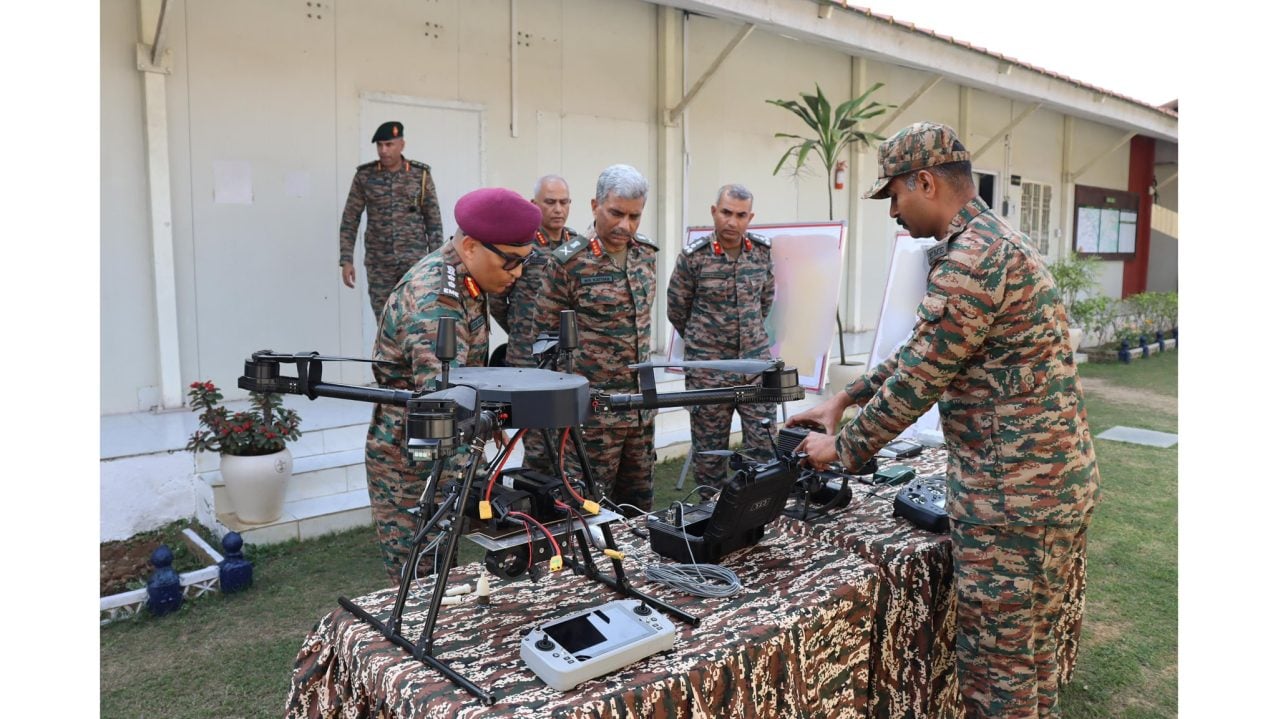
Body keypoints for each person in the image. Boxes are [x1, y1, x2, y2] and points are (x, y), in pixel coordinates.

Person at [790, 121, 1100, 719]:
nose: (893, 213)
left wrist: (843, 449)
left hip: (1014, 501)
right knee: (1029, 656)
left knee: (995, 674)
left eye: (895, 196)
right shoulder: (992, 240)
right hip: (1047, 491)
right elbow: (925, 349)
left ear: (925, 181)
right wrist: (844, 398)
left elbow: (921, 379)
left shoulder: (971, 259)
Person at [365, 187, 540, 584]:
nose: (517, 273)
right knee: (423, 585)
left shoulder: (466, 280)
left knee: (451, 579)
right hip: (413, 467)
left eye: (523, 262)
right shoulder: (434, 301)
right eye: (510, 262)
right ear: (470, 245)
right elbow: (442, 407)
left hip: (443, 458)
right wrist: (479, 490)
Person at [534, 165, 660, 513]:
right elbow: (544, 338)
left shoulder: (646, 255)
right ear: (595, 205)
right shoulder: (570, 262)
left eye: (635, 216)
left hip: (639, 409)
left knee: (639, 508)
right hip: (593, 413)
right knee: (587, 508)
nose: (625, 226)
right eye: (616, 213)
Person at [666, 184, 776, 493]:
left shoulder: (762, 252)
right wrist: (705, 344)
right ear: (714, 211)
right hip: (708, 369)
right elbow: (677, 308)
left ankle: (758, 508)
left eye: (741, 215)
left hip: (754, 366)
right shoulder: (694, 257)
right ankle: (710, 513)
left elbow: (765, 301)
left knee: (764, 445)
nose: (732, 222)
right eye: (726, 213)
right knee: (709, 453)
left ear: (750, 217)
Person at [490, 175, 585, 474]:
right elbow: (496, 300)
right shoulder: (521, 246)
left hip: (567, 360)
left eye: (564, 202)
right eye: (550, 202)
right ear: (534, 205)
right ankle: (536, 502)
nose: (558, 209)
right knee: (536, 442)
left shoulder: (579, 247)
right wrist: (524, 332)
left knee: (568, 442)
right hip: (528, 361)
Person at [339, 121, 445, 317]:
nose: (383, 150)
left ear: (401, 145)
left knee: (415, 316)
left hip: (414, 262)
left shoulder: (420, 175)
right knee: (384, 318)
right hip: (380, 263)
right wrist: (346, 260)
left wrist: (437, 261)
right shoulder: (365, 176)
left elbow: (433, 222)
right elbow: (350, 219)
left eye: (389, 145)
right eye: (379, 145)